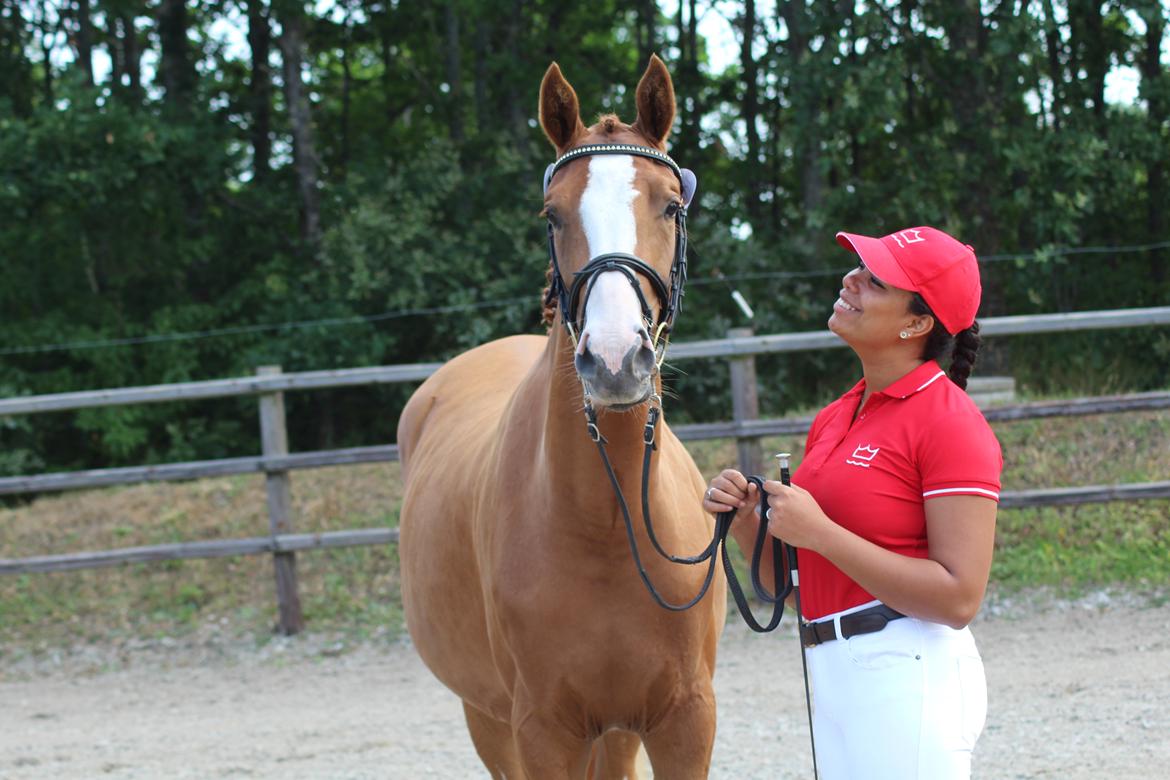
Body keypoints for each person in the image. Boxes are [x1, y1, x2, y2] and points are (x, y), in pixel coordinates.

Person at [704, 226, 1002, 780]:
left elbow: (960, 598)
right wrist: (750, 524)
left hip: (907, 672)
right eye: (858, 268)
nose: (851, 280)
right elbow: (795, 588)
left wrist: (820, 533)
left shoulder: (951, 424)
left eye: (876, 279)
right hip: (832, 665)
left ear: (917, 323)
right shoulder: (836, 416)